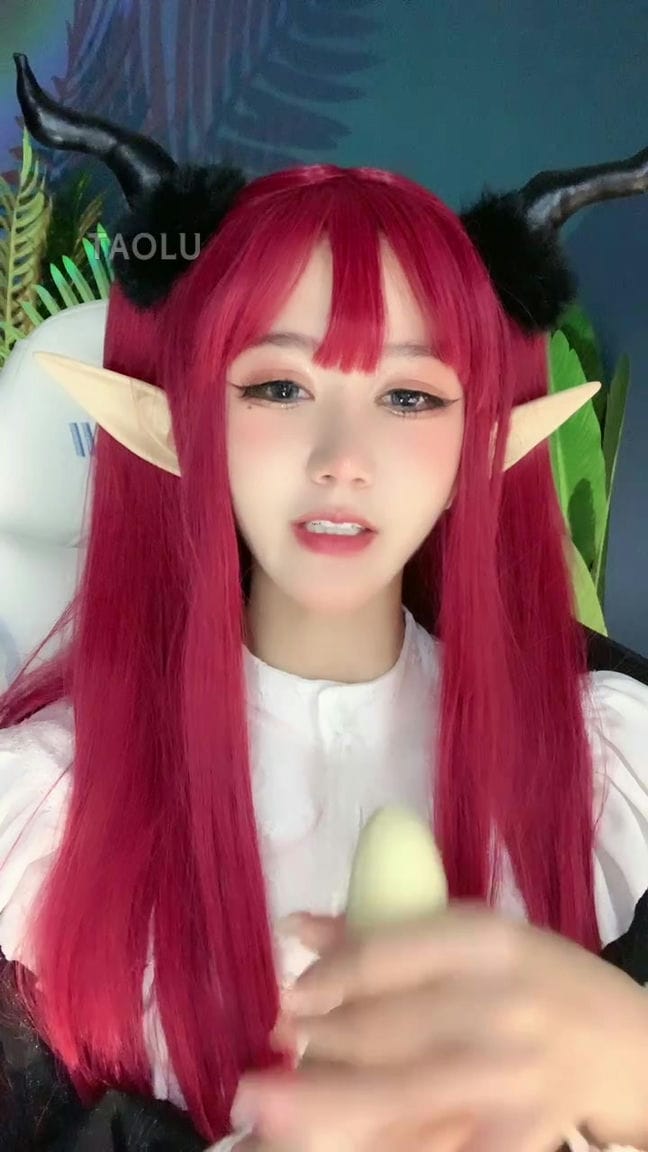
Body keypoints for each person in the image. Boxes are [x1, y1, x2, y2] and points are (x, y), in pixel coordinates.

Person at [0, 52, 647, 1152]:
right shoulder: (46, 813)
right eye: (280, 386)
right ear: (184, 419)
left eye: (409, 396)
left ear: (484, 440)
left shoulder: (609, 766)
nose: (344, 458)